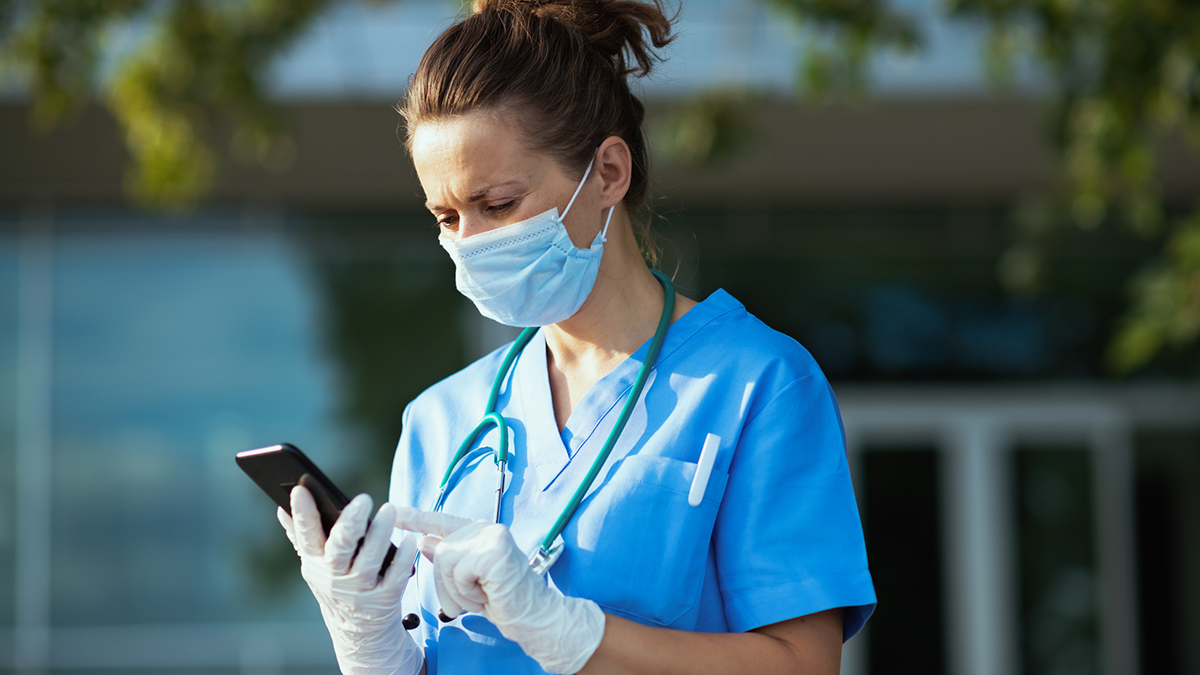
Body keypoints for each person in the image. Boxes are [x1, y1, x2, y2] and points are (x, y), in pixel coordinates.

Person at [276, 0, 876, 672]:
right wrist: (375, 647)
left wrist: (576, 634)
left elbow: (804, 664)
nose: (470, 242)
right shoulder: (439, 420)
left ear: (609, 174)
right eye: (446, 216)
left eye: (498, 203)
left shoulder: (756, 385)